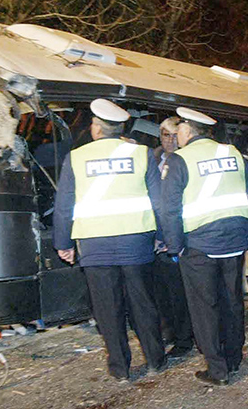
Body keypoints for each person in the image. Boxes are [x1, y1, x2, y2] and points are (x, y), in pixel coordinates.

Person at [53, 99, 168, 383]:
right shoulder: (142, 154)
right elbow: (159, 202)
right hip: (136, 243)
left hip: (94, 245)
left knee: (108, 308)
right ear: (120, 129)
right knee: (143, 303)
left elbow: (64, 205)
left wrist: (63, 243)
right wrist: (163, 236)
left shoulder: (76, 158)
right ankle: (155, 359)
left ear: (96, 129)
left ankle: (120, 369)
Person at [159, 107, 248, 386]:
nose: (177, 134)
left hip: (200, 246)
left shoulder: (179, 159)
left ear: (188, 130)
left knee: (205, 308)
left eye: (179, 129)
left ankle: (217, 370)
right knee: (232, 302)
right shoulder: (233, 153)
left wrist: (175, 247)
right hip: (232, 243)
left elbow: (169, 209)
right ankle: (233, 359)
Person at [151, 116, 195, 359]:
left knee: (181, 294)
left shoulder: (185, 161)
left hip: (179, 237)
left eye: (173, 135)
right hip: (156, 239)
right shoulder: (152, 158)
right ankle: (171, 332)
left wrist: (173, 238)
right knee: (163, 293)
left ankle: (184, 339)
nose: (169, 140)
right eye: (165, 135)